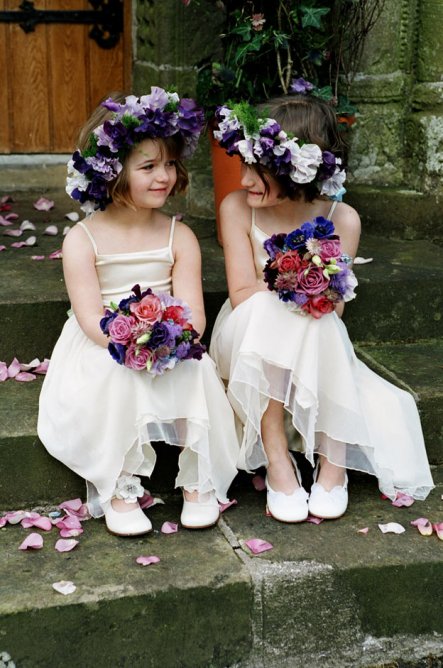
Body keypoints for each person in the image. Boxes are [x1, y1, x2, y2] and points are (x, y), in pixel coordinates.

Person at [209, 94, 434, 523]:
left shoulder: (342, 218)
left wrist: (311, 287)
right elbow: (241, 293)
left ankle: (334, 458)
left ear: (295, 170)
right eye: (242, 165)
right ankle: (276, 454)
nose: (244, 179)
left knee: (319, 316)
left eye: (258, 170)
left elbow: (337, 308)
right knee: (268, 310)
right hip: (246, 330)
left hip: (317, 332)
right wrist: (290, 278)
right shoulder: (236, 208)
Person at [38, 87, 239, 536]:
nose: (164, 176)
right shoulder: (82, 240)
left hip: (166, 338)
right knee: (116, 375)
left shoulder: (178, 237)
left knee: (194, 370)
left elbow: (193, 313)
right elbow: (89, 315)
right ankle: (119, 486)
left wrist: (171, 338)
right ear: (111, 173)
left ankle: (199, 478)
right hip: (104, 341)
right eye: (148, 166)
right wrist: (126, 343)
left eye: (169, 164)